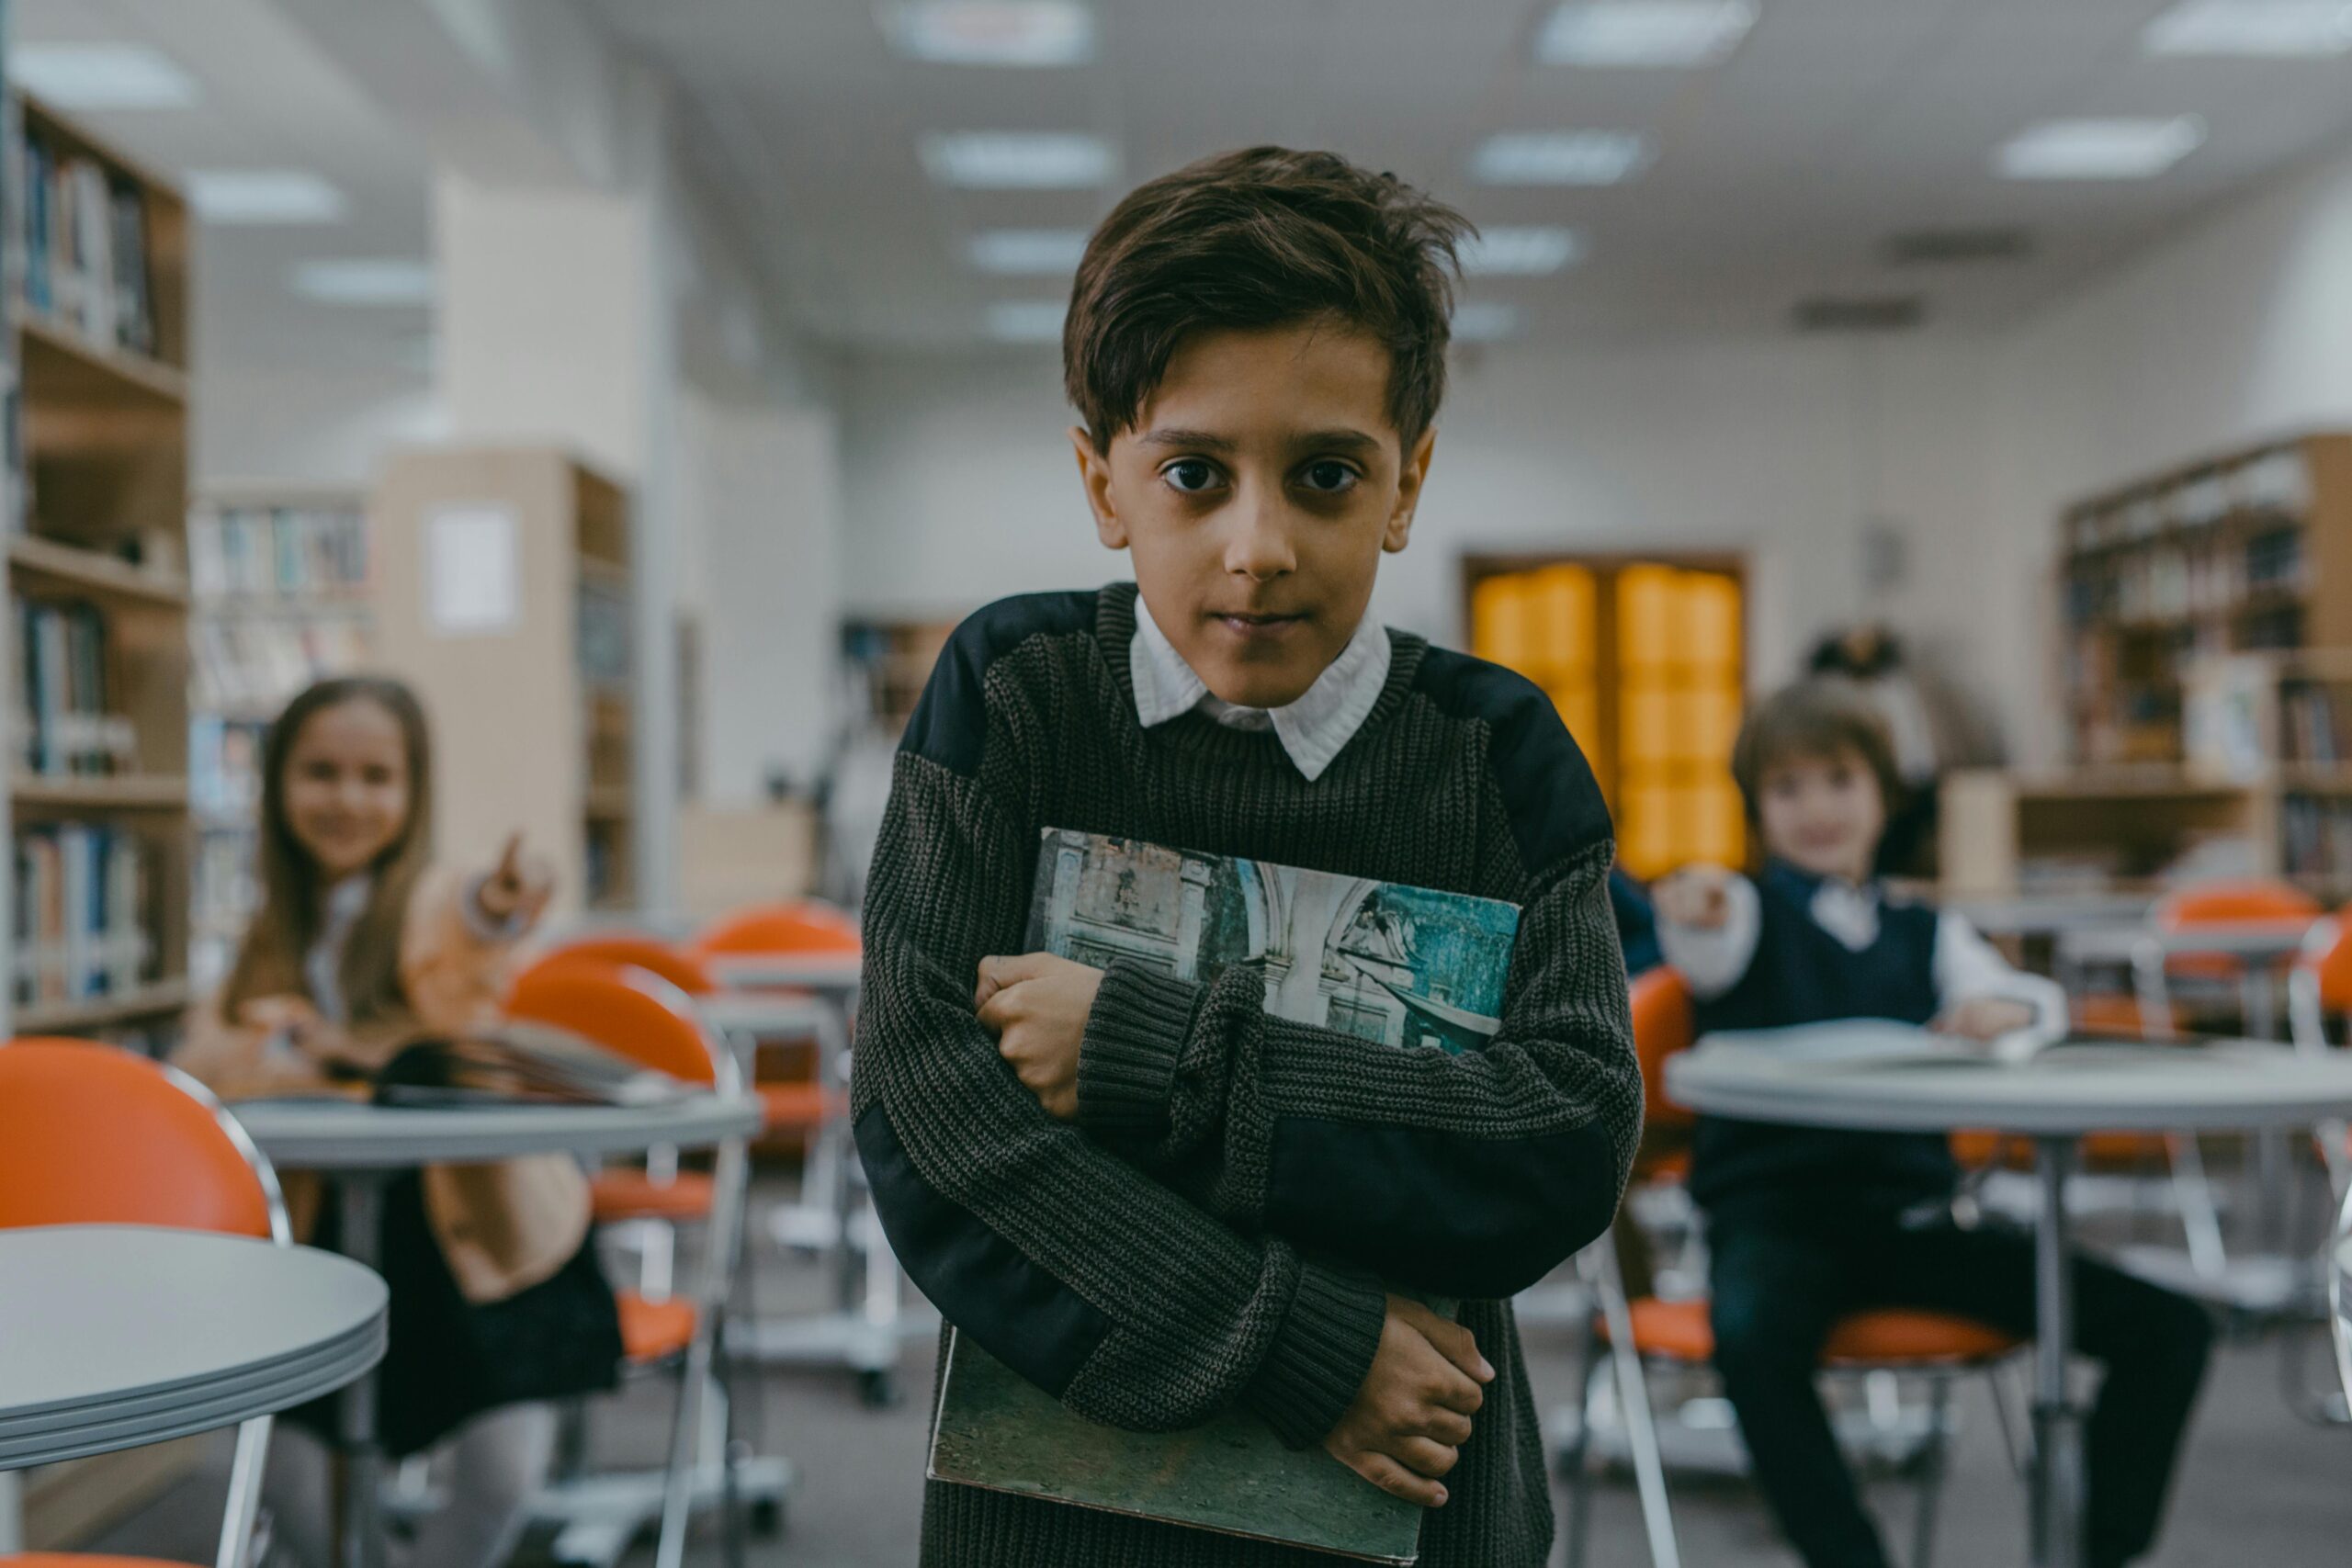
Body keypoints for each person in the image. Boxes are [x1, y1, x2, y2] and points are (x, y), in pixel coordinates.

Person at [850, 146, 1642, 1568]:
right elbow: (936, 1121)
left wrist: (1157, 1057)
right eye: (1195, 474)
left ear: (1406, 486)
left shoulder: (1499, 758)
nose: (1258, 545)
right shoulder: (1014, 695)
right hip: (1061, 1518)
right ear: (1106, 483)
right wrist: (1310, 1343)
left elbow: (1563, 1140)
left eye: (1327, 474)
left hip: (1412, 1512)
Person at [1651, 679, 2211, 1568]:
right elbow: (1704, 930)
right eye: (1787, 788)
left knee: (2169, 1326)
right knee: (1751, 1340)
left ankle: (2101, 1555)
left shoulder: (1928, 930)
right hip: (1776, 1225)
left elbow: (2025, 999)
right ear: (1756, 807)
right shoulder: (1747, 912)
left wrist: (2007, 1014)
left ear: (1883, 794)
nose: (1816, 809)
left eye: (1837, 779)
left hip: (1913, 1224)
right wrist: (1696, 899)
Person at [175, 675, 622, 1568]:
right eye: (320, 772)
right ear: (277, 786)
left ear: (415, 791)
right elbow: (205, 1059)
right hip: (324, 1225)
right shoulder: (266, 931)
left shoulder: (431, 899)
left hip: (474, 1226)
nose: (346, 798)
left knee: (500, 1467)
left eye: (376, 776)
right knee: (290, 1473)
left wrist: (496, 903)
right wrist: (293, 1052)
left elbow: (465, 938)